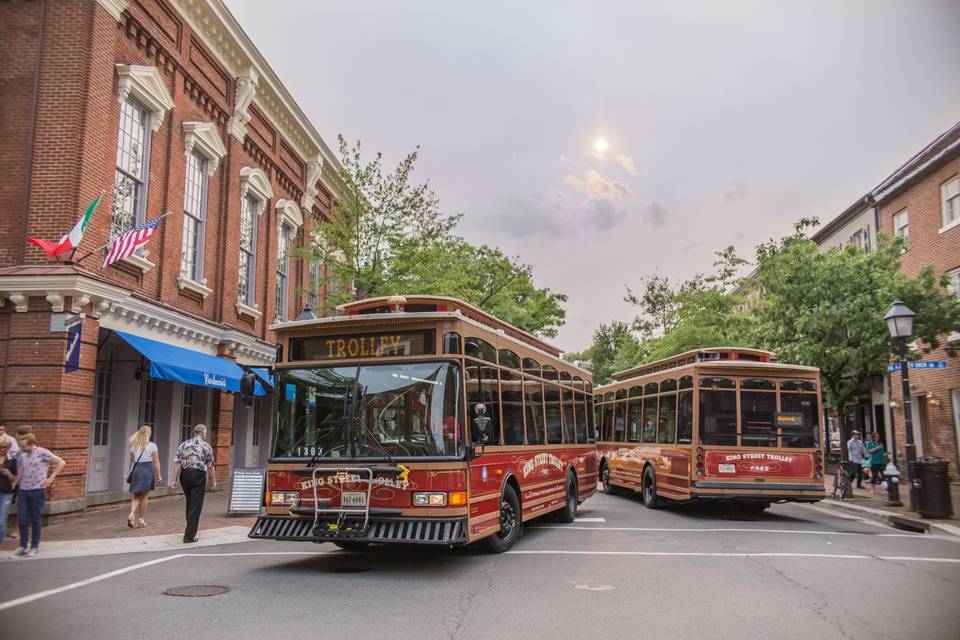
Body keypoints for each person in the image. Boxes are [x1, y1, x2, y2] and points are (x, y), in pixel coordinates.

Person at [10, 432, 65, 558]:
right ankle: (23, 546)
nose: (22, 448)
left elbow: (61, 463)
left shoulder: (42, 452)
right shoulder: (23, 455)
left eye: (24, 446)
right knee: (22, 517)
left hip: (37, 490)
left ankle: (34, 546)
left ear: (32, 444)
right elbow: (22, 471)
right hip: (24, 489)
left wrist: (50, 479)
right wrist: (15, 482)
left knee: (35, 518)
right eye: (20, 446)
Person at [170, 424, 216, 544]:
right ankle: (189, 536)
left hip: (184, 475)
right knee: (196, 505)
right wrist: (213, 482)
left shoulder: (184, 444)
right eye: (206, 433)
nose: (206, 435)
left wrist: (173, 479)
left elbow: (177, 462)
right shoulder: (206, 446)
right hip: (198, 475)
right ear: (202, 433)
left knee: (190, 502)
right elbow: (210, 466)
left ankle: (189, 528)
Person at [126, 425, 162, 529]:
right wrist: (159, 475)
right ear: (148, 434)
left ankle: (132, 513)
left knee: (136, 495)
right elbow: (156, 461)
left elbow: (131, 461)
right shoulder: (152, 446)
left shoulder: (134, 445)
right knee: (144, 496)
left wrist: (130, 472)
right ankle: (141, 520)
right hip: (147, 470)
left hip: (136, 470)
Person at [0, 436, 17, 543]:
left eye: (5, 447)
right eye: (1, 447)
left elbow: (16, 478)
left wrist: (9, 474)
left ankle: (0, 542)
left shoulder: (12, 461)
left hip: (6, 493)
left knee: (1, 520)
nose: (2, 449)